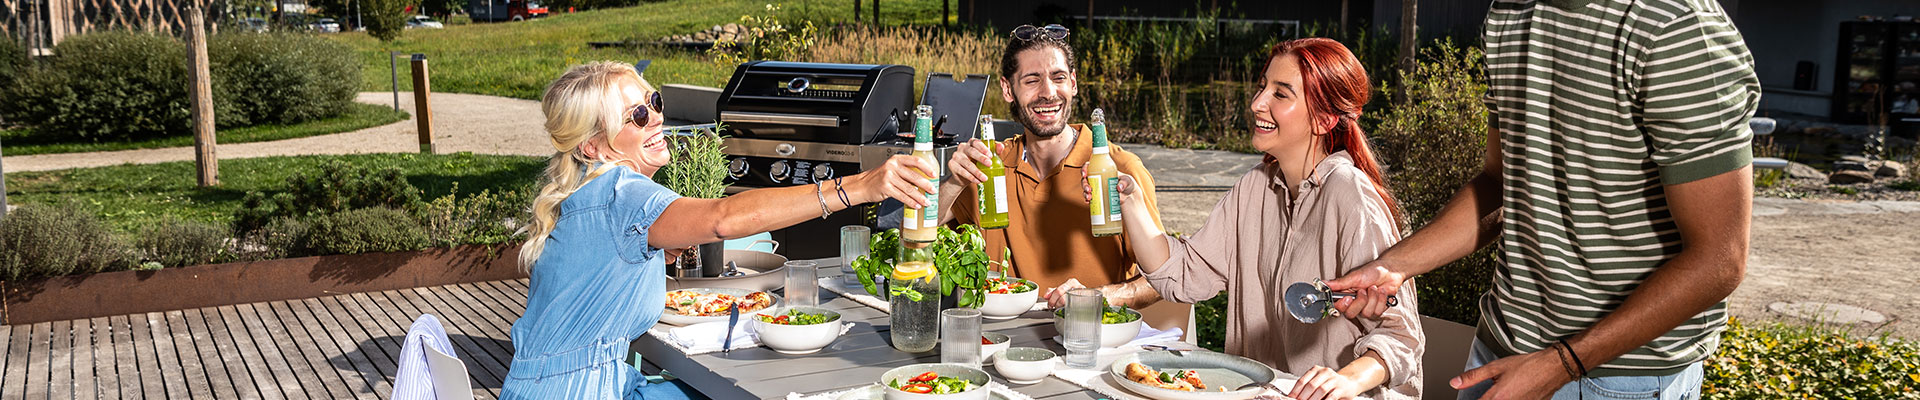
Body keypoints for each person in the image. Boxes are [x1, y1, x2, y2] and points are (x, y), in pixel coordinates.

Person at [1326, 1, 1760, 398]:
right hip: (1498, 350)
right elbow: (1500, 183)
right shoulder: (1510, 14)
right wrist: (1393, 267)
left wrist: (1563, 362)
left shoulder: (1678, 30)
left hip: (1618, 377)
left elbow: (1719, 259)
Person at [502, 61, 938, 399]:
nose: (655, 118)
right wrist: (860, 186)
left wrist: (655, 256)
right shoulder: (620, 191)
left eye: (653, 102)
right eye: (636, 114)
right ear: (592, 145)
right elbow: (722, 219)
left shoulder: (587, 188)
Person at [1099, 38, 1423, 400]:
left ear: (1324, 119)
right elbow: (1183, 274)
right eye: (1261, 87)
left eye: (1280, 94)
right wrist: (1130, 201)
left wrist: (1346, 380)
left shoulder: (1351, 198)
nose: (1257, 104)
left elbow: (1401, 338)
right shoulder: (1254, 187)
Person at [938, 23, 1167, 309]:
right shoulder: (987, 168)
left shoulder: (1119, 169)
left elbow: (1163, 279)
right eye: (1032, 80)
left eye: (1058, 77)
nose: (1048, 93)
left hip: (1090, 340)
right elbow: (913, 239)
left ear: (1073, 83)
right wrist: (954, 182)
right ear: (1008, 89)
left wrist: (1098, 298)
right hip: (1004, 341)